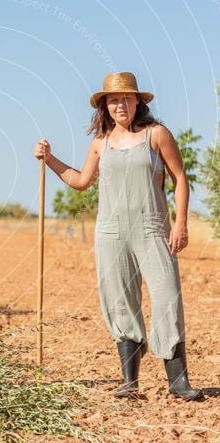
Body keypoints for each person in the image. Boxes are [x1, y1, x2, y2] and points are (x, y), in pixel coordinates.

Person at [34, 72, 203, 401]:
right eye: (113, 100)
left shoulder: (156, 135)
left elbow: (180, 178)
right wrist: (49, 159)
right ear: (104, 106)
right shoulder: (100, 143)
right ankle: (130, 382)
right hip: (110, 230)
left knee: (167, 298)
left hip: (152, 226)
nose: (120, 104)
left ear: (138, 101)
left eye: (127, 98)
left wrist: (180, 223)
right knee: (119, 301)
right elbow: (81, 181)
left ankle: (178, 382)